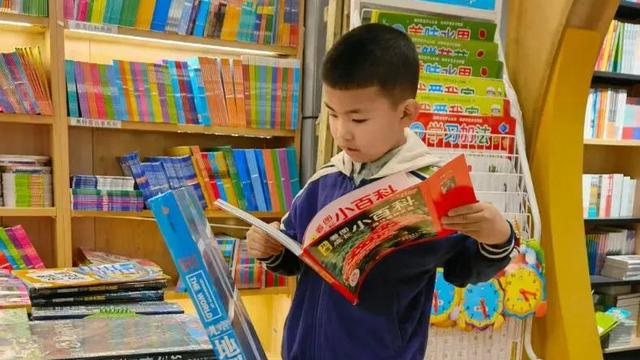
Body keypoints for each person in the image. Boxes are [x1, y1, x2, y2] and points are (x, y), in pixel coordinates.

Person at [246, 23, 514, 360]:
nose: (342, 133)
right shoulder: (324, 181)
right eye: (333, 115)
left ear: (406, 113)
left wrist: (498, 236)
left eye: (358, 120)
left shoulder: (429, 189)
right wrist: (270, 248)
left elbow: (466, 268)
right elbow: (295, 259)